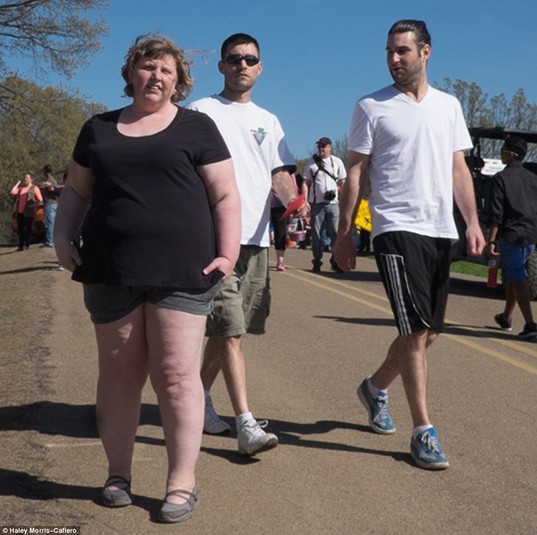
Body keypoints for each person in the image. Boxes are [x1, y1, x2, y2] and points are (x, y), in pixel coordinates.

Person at [54, 34, 241, 523]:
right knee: (119, 376)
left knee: (176, 376)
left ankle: (182, 483)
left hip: (183, 270)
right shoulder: (98, 128)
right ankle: (118, 474)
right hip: (110, 269)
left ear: (178, 81)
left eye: (165, 69)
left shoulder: (197, 127)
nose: (155, 76)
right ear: (130, 74)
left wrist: (228, 253)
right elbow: (77, 190)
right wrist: (61, 237)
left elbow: (224, 194)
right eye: (147, 66)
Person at [333, 19, 485, 470]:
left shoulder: (449, 106)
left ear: (425, 52)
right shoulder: (371, 106)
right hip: (394, 227)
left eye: (402, 50)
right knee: (416, 330)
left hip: (439, 228)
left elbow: (458, 169)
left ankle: (375, 387)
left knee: (428, 331)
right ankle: (424, 431)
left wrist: (472, 222)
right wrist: (345, 233)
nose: (394, 59)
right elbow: (356, 171)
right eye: (389, 52)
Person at [187, 33, 307, 455]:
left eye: (250, 59)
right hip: (214, 238)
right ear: (221, 65)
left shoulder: (268, 120)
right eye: (234, 58)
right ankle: (246, 424)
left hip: (256, 241)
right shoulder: (200, 112)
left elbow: (278, 173)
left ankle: (196, 401)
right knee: (231, 331)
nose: (242, 65)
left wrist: (293, 201)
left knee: (229, 331)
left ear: (260, 67)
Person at [488, 136, 537, 338]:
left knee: (517, 277)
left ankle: (531, 325)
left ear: (511, 154)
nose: (501, 153)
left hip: (511, 234)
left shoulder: (501, 178)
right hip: (531, 235)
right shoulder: (533, 179)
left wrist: (492, 240)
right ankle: (506, 317)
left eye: (503, 150)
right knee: (513, 274)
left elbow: (496, 213)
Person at [304, 137, 346, 272]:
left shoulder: (337, 162)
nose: (321, 148)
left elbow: (343, 181)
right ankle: (317, 261)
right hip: (317, 204)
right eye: (319, 146)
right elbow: (305, 182)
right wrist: (305, 200)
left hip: (333, 203)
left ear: (330, 147)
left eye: (323, 146)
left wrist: (342, 196)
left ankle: (336, 261)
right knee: (316, 234)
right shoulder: (311, 163)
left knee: (335, 234)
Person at [10, 172, 43, 251]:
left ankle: (26, 244)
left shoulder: (34, 188)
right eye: (25, 178)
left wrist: (33, 205)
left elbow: (40, 199)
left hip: (29, 212)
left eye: (27, 178)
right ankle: (20, 245)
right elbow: (12, 192)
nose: (25, 179)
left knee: (28, 228)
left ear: (31, 179)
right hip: (20, 212)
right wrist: (18, 183)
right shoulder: (21, 188)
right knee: (21, 229)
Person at [39, 164, 60, 247]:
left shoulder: (49, 180)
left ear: (45, 170)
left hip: (50, 204)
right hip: (51, 204)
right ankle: (48, 239)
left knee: (49, 223)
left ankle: (50, 241)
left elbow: (49, 189)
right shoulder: (52, 179)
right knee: (50, 222)